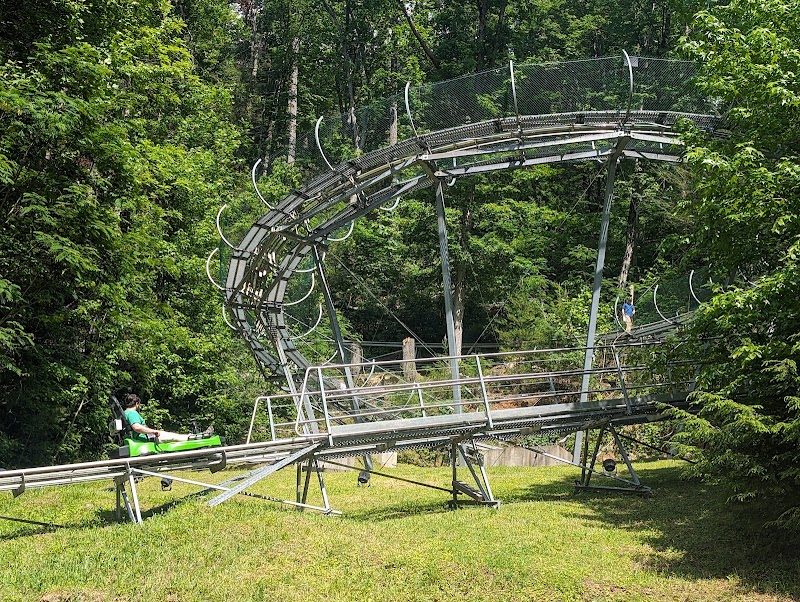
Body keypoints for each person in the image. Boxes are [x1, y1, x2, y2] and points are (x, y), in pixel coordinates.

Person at [122, 393, 213, 443]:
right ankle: (199, 437)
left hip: (143, 437)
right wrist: (153, 431)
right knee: (174, 436)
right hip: (146, 438)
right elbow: (137, 427)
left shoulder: (125, 413)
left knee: (174, 436)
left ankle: (193, 436)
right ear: (137, 404)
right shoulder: (132, 413)